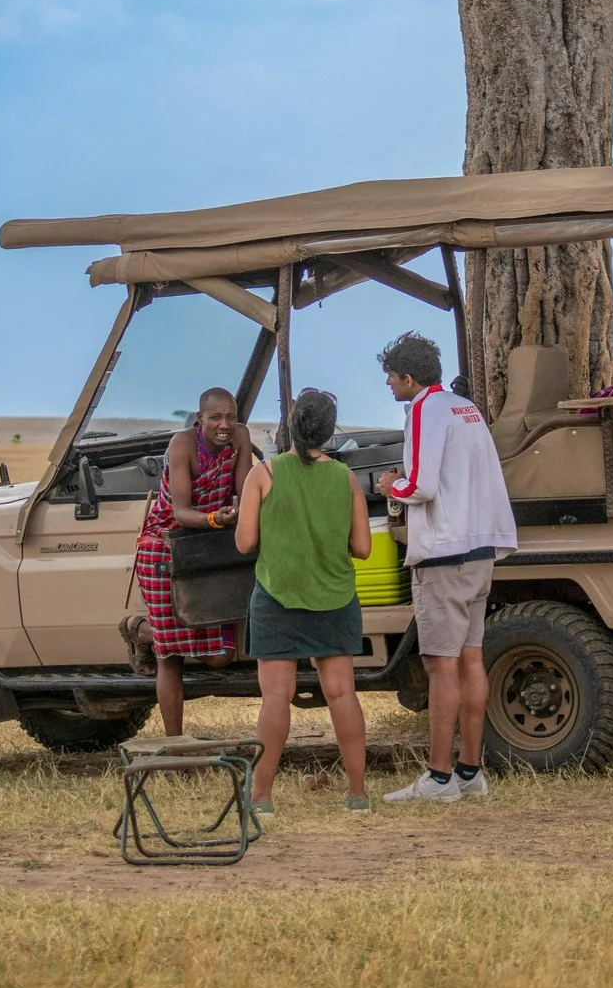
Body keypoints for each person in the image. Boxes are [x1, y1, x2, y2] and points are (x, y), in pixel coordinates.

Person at [373, 331, 516, 803]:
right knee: (471, 658)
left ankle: (438, 778)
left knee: (440, 665)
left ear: (408, 377)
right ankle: (470, 770)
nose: (390, 388)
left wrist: (388, 484)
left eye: (392, 379)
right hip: (481, 548)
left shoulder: (423, 409)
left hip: (443, 553)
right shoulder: (465, 408)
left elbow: (420, 486)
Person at [236, 387, 374, 814]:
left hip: (278, 597)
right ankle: (357, 794)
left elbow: (244, 543)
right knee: (341, 693)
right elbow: (364, 547)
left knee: (275, 697)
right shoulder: (346, 479)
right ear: (330, 432)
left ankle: (261, 798)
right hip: (334, 599)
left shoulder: (264, 474)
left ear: (290, 427)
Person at [130, 388, 257, 735]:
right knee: (170, 658)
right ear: (200, 419)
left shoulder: (241, 437)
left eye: (230, 417)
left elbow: (245, 492)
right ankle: (175, 744)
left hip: (206, 545)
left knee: (220, 657)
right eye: (216, 417)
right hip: (165, 546)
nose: (225, 425)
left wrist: (244, 515)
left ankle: (146, 632)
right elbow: (182, 512)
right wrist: (218, 518)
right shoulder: (182, 444)